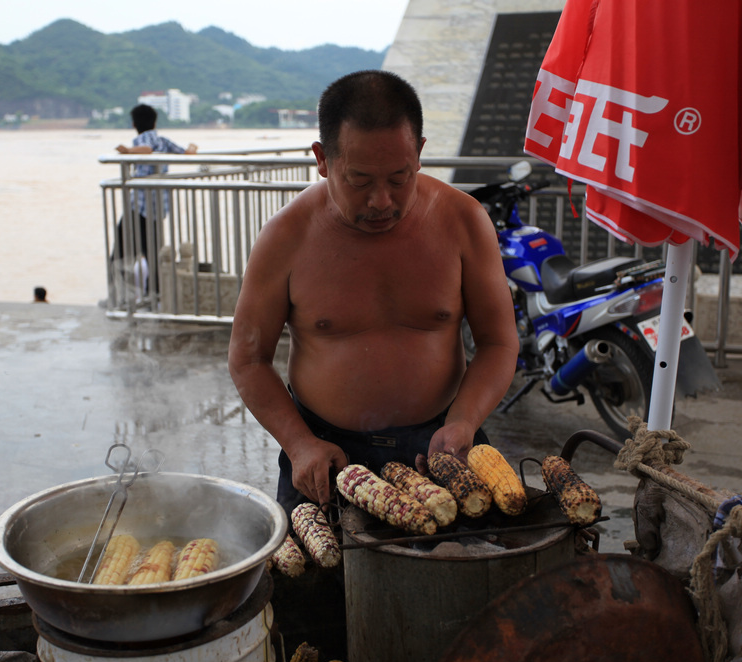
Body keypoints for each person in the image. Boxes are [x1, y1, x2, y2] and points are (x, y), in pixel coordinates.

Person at [227, 70, 520, 515]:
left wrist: (465, 420)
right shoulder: (285, 236)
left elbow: (498, 341)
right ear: (323, 160)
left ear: (419, 153)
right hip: (326, 453)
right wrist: (300, 443)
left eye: (400, 178)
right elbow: (248, 359)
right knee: (317, 585)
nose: (382, 201)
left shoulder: (464, 220)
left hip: (444, 446)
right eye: (360, 180)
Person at [113, 104, 198, 298]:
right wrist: (192, 147)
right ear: (155, 121)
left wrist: (127, 151)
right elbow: (187, 154)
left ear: (134, 124)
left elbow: (146, 148)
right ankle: (156, 293)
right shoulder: (163, 140)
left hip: (139, 207)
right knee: (153, 252)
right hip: (157, 208)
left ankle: (120, 296)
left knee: (120, 253)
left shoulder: (143, 139)